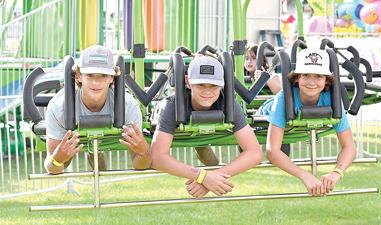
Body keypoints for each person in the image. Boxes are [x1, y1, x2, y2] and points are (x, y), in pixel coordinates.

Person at [151, 55, 263, 197]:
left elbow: (254, 152)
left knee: (203, 148)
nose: (207, 91)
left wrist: (214, 177)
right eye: (200, 84)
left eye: (213, 85)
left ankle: (204, 151)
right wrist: (203, 176)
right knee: (201, 147)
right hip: (179, 130)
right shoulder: (171, 106)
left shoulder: (228, 104)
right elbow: (157, 157)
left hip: (203, 136)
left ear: (222, 84)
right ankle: (203, 150)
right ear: (188, 82)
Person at [257, 48, 356, 196]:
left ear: (326, 80)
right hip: (264, 121)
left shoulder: (333, 100)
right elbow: (272, 150)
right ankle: (271, 80)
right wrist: (305, 176)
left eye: (318, 76)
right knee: (262, 150)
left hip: (295, 123)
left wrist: (336, 172)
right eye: (306, 75)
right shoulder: (283, 99)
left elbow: (349, 146)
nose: (312, 82)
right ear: (297, 77)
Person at [44, 45, 151, 175]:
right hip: (74, 137)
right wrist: (57, 159)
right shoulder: (58, 107)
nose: (96, 82)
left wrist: (144, 152)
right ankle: (93, 152)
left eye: (103, 75)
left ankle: (95, 152)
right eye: (89, 75)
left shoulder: (128, 107)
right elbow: (52, 168)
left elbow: (141, 165)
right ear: (78, 76)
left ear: (112, 77)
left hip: (105, 134)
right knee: (64, 160)